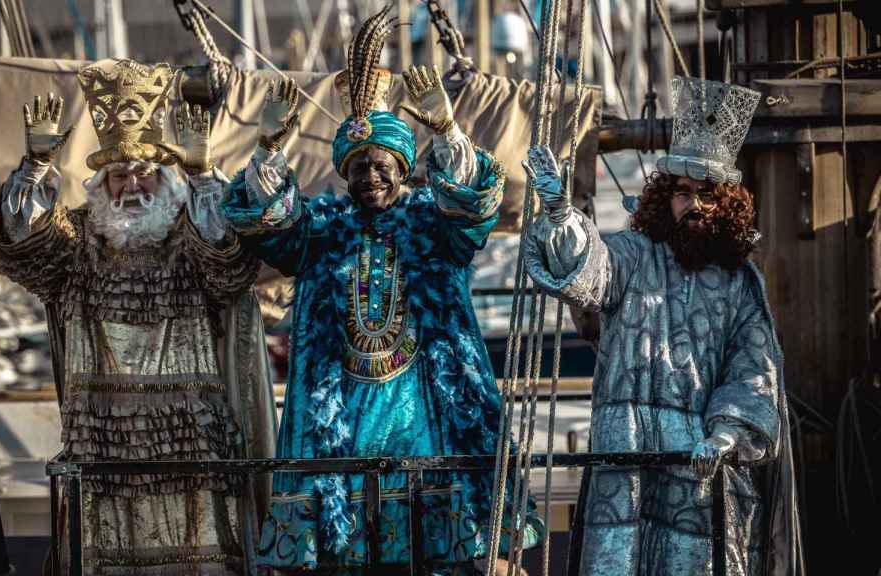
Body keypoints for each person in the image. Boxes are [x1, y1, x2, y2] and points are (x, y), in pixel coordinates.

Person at [222, 7, 542, 574]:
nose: (369, 176)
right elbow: (267, 223)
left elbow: (472, 205)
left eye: (381, 164)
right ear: (343, 175)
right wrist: (269, 148)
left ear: (403, 167)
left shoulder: (432, 224)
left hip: (424, 416)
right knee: (350, 557)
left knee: (431, 554)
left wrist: (447, 131)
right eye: (358, 167)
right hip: (341, 420)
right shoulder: (321, 230)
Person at [0, 58, 275, 575]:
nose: (133, 186)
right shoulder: (77, 245)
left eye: (145, 173)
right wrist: (35, 166)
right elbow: (20, 242)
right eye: (120, 175)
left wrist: (203, 175)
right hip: (103, 450)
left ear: (165, 180)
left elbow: (230, 263)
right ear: (102, 184)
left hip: (191, 449)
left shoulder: (190, 239)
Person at [523, 77, 800, 575]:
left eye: (707, 196)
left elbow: (752, 368)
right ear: (665, 198)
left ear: (727, 205)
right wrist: (562, 216)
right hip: (624, 463)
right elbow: (590, 275)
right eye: (682, 193)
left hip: (698, 471)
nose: (693, 204)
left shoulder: (739, 284)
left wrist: (724, 436)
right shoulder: (633, 256)